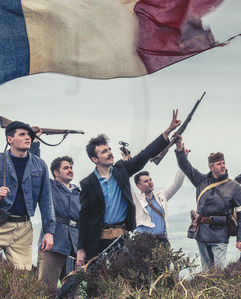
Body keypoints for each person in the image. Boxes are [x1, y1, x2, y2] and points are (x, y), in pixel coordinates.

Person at [76, 111, 181, 266]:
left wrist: (167, 131)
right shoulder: (87, 183)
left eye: (109, 149)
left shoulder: (121, 170)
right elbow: (83, 217)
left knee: (124, 281)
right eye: (104, 151)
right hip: (97, 241)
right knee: (99, 284)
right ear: (94, 159)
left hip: (121, 238)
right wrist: (80, 249)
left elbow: (144, 155)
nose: (110, 153)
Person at [0, 120, 55, 270]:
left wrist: (49, 232)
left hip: (23, 229)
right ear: (10, 139)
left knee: (22, 276)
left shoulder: (40, 165)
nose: (28, 137)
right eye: (22, 134)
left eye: (29, 135)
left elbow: (46, 201)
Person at [175, 138, 241, 271]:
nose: (223, 166)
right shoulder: (201, 181)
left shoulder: (234, 187)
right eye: (219, 164)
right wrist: (179, 150)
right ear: (211, 167)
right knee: (206, 271)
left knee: (218, 271)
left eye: (223, 163)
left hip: (220, 232)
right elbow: (185, 167)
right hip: (202, 232)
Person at [40, 156, 80, 291]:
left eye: (71, 168)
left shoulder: (78, 193)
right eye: (65, 168)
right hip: (53, 244)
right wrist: (34, 143)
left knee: (74, 292)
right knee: (46, 288)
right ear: (56, 172)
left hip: (74, 246)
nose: (70, 170)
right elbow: (35, 168)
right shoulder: (49, 186)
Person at [132, 167, 184, 246]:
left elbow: (177, 183)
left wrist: (183, 159)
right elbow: (126, 184)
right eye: (146, 181)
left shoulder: (161, 197)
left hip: (162, 241)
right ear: (139, 186)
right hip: (144, 242)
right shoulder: (136, 201)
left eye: (150, 180)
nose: (150, 182)